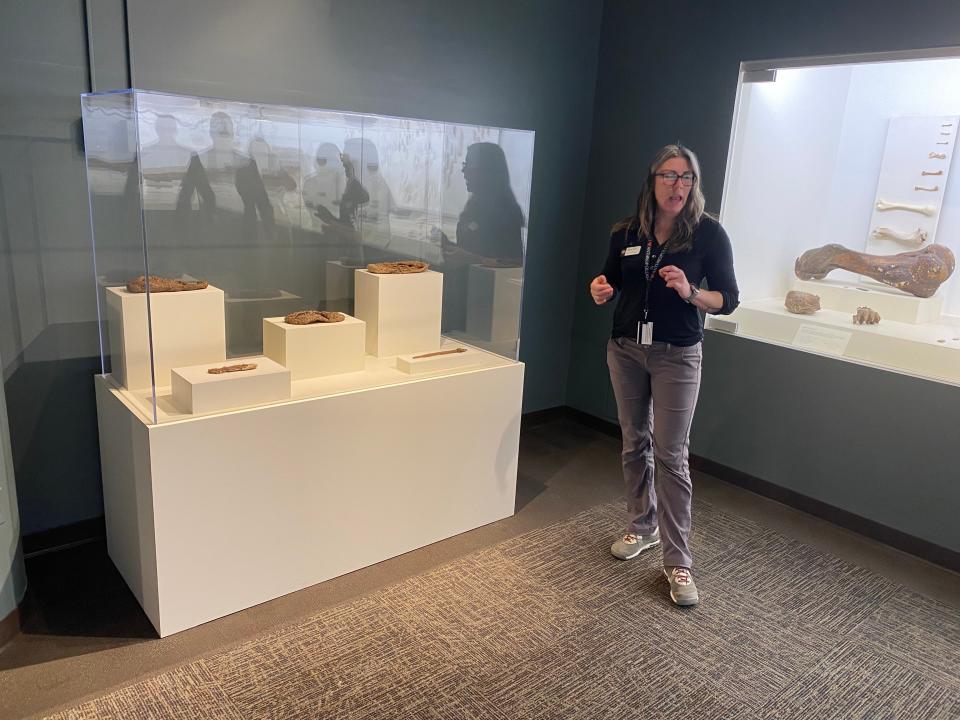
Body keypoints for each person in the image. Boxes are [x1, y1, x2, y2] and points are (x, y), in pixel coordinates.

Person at [589, 144, 739, 607]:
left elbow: (727, 299)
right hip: (627, 350)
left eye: (686, 177)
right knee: (634, 441)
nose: (678, 186)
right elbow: (608, 281)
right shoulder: (626, 231)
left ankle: (678, 561)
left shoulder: (709, 234)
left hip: (678, 355)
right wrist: (599, 288)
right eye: (669, 176)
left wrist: (692, 291)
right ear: (652, 180)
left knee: (670, 455)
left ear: (694, 184)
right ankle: (642, 526)